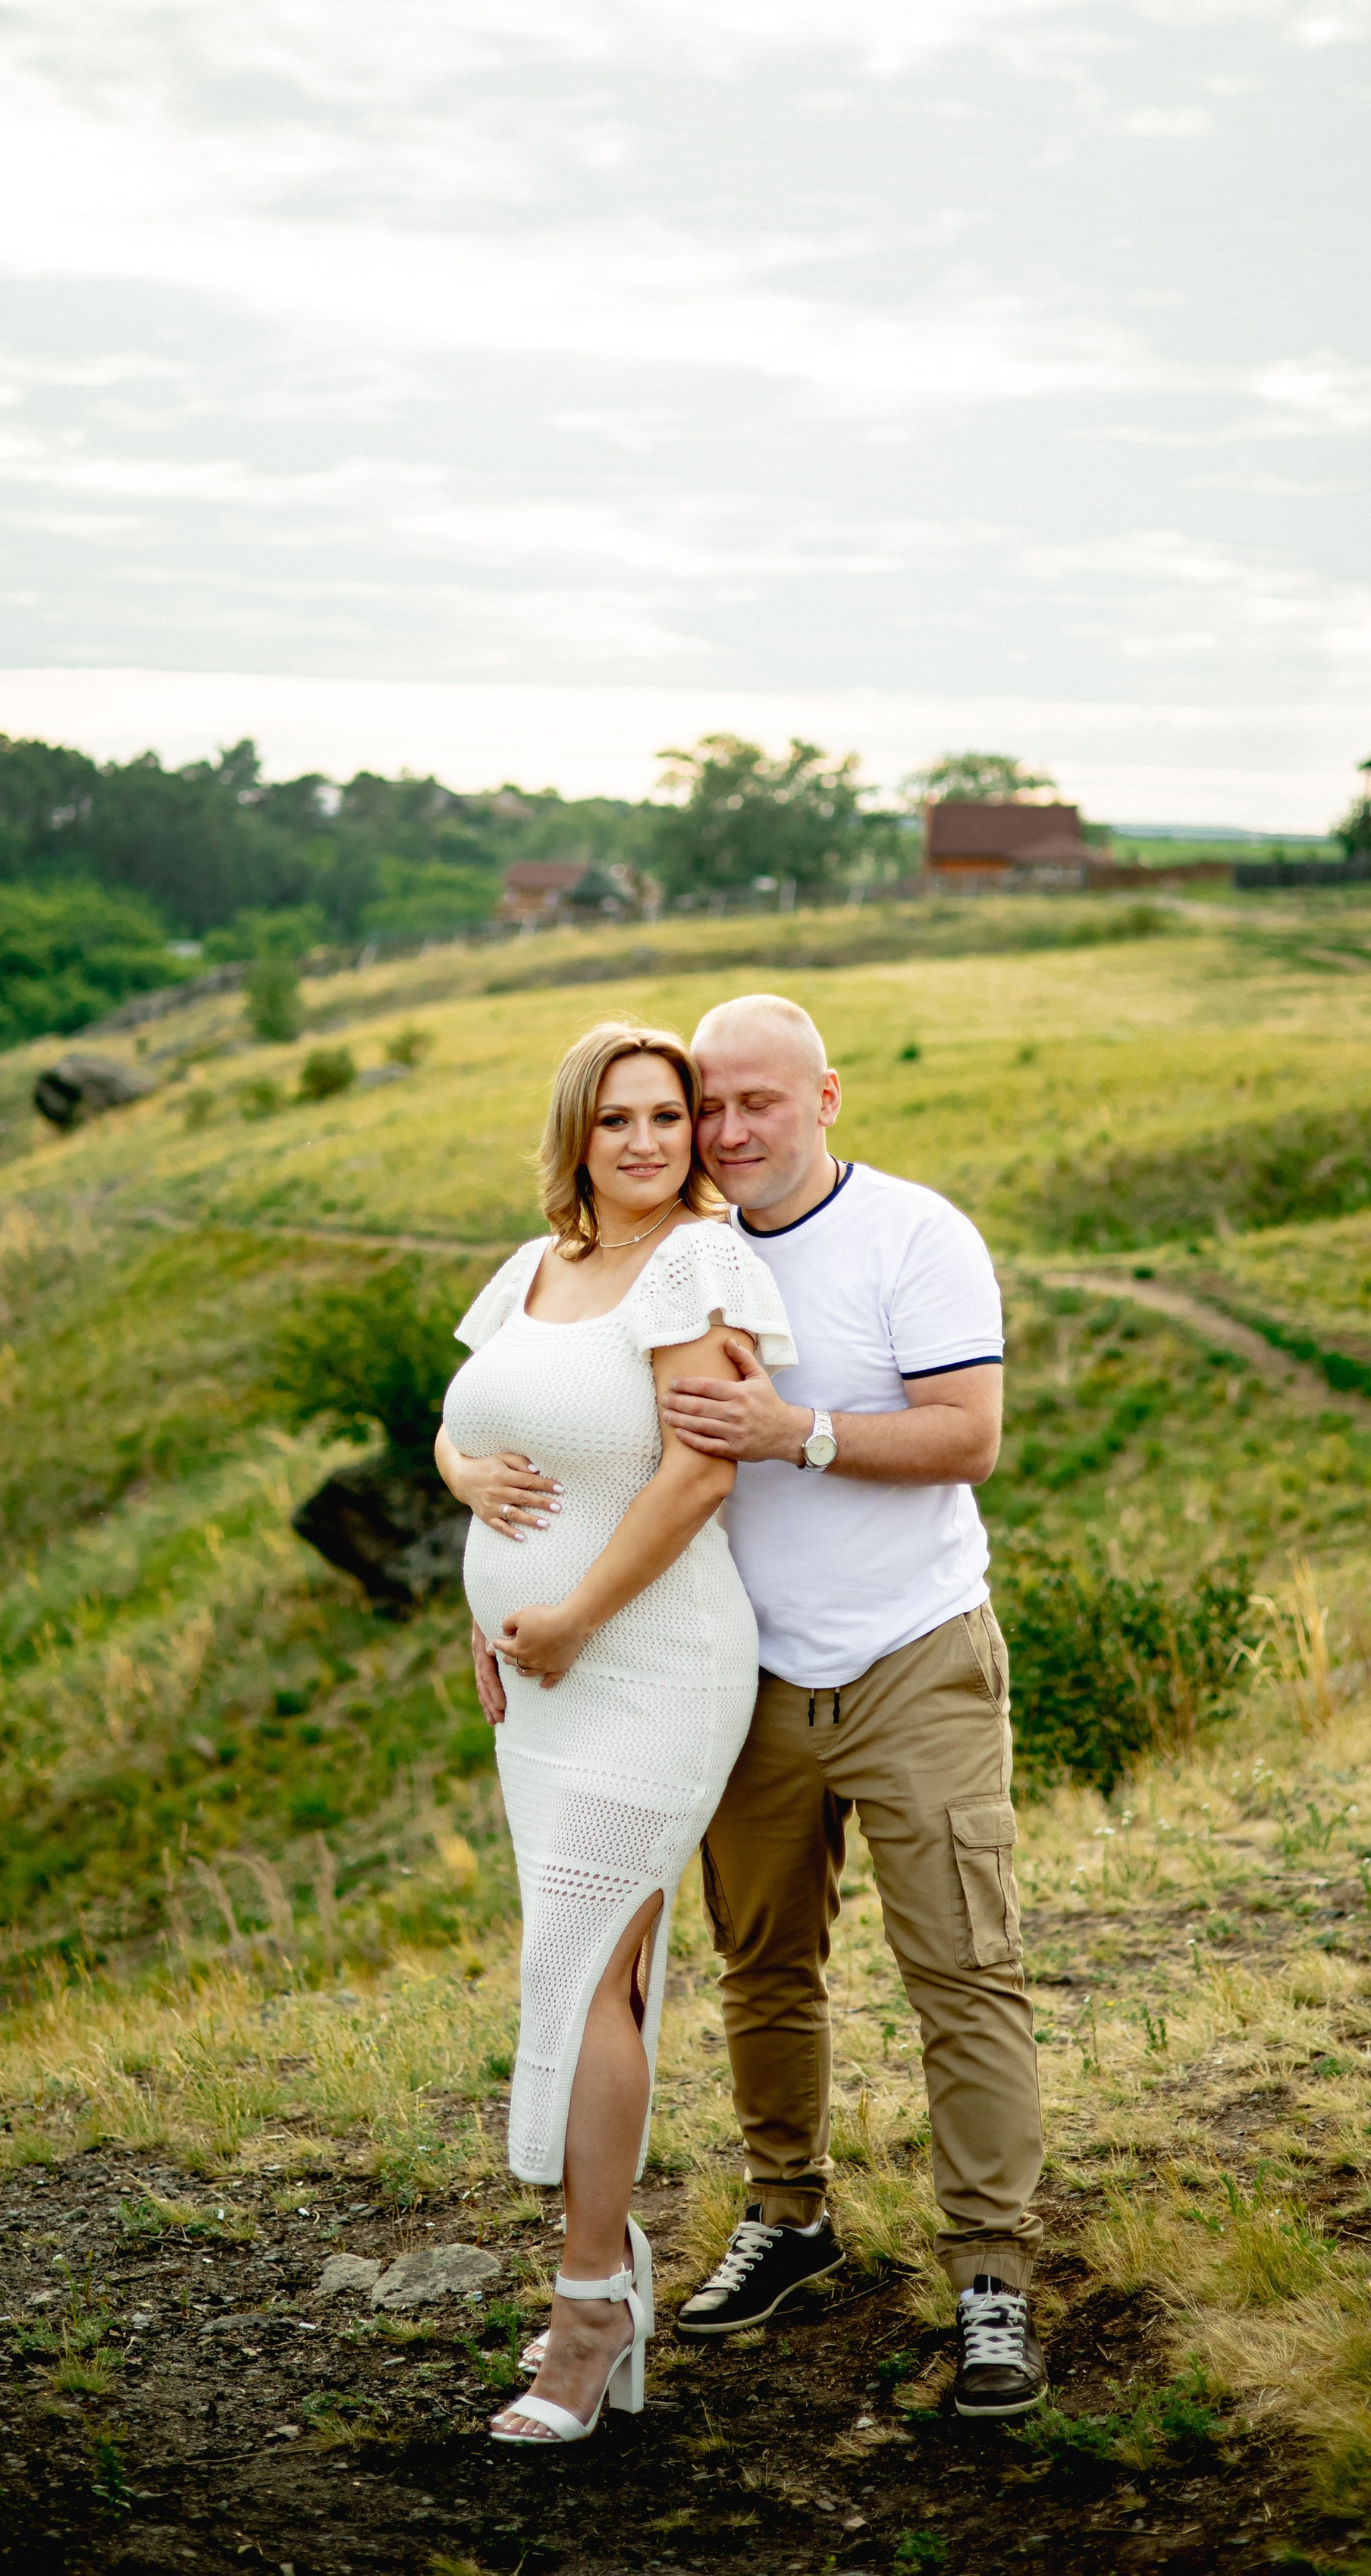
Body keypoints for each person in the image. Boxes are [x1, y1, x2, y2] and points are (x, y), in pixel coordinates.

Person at [658, 991, 1046, 2418]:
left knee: (963, 1969)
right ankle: (791, 2220)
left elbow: (970, 1437)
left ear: (828, 1099)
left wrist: (797, 1433)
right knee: (762, 1964)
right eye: (709, 1103)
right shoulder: (682, 1258)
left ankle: (994, 2280)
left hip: (914, 1655)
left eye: (760, 1100)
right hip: (747, 1674)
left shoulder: (915, 1234)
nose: (729, 1128)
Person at [435, 1019, 795, 2447]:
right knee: (579, 1964)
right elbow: (465, 1424)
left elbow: (700, 1474)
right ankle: (608, 2281)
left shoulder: (698, 1261)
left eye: (668, 1116)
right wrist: (474, 1498)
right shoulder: (533, 1268)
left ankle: (590, 2308)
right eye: (618, 1120)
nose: (647, 1143)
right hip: (541, 1683)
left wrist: (570, 1612)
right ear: (575, 1133)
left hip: (649, 1663)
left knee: (592, 1972)